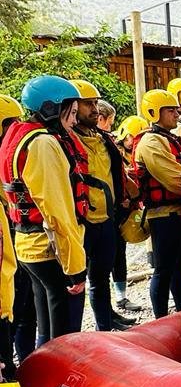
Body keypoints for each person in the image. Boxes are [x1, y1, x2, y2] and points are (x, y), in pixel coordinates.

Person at [0, 76, 87, 347]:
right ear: (51, 108)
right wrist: (75, 267)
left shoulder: (16, 137)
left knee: (44, 321)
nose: (74, 121)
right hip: (47, 249)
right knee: (61, 334)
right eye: (71, 113)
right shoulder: (43, 143)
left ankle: (39, 371)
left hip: (26, 247)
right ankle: (58, 383)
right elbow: (57, 210)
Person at [70, 79, 129, 333]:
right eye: (87, 104)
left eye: (95, 103)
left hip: (106, 220)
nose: (94, 109)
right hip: (79, 223)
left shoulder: (103, 140)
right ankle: (71, 339)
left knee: (100, 281)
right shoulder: (64, 141)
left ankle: (104, 330)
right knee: (75, 286)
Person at [133, 89, 181, 317]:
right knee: (164, 269)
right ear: (153, 113)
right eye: (169, 110)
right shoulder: (150, 142)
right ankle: (160, 317)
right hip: (163, 217)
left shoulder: (172, 138)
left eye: (176, 110)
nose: (176, 114)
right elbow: (175, 179)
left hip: (179, 213)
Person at [0, 95, 36, 360]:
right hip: (10, 242)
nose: (15, 128)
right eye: (10, 124)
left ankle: (23, 359)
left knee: (26, 308)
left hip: (18, 238)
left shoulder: (12, 155)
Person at [111, 115, 149, 315]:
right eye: (133, 138)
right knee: (109, 258)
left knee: (120, 257)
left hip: (127, 211)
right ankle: (113, 303)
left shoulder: (138, 155)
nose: (135, 143)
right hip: (112, 212)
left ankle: (121, 297)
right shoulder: (114, 153)